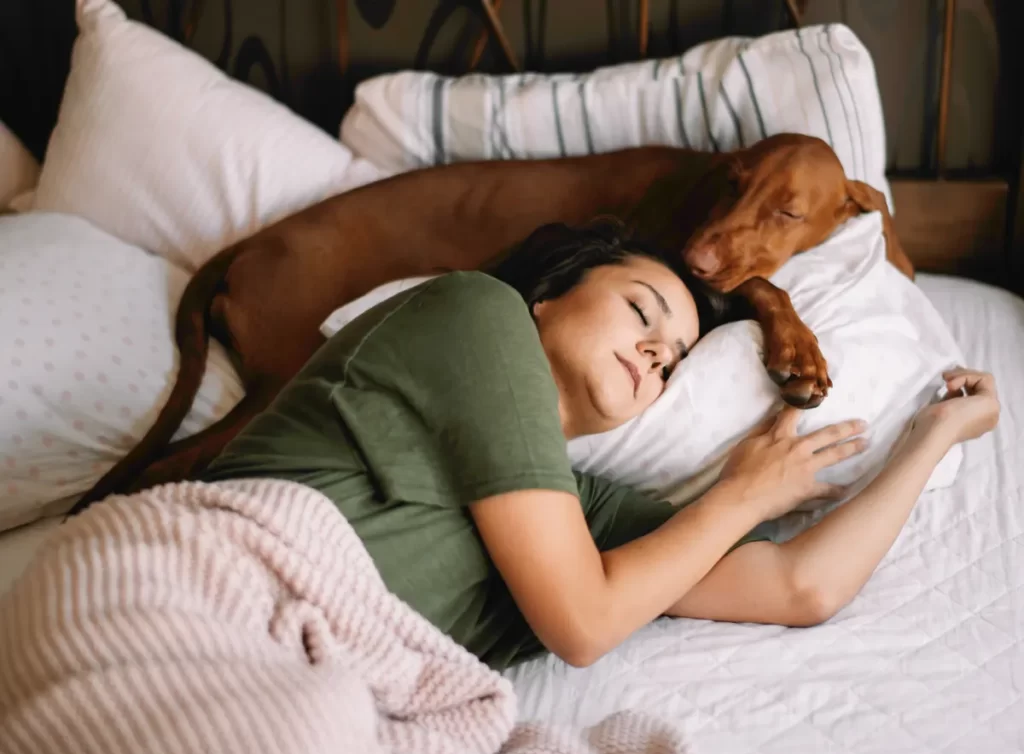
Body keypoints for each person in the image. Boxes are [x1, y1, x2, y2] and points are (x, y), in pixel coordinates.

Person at [200, 217, 1001, 671]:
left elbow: (803, 587)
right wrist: (742, 496)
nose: (658, 352)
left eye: (675, 361)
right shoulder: (475, 314)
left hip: (301, 687)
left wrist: (934, 436)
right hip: (205, 589)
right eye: (642, 310)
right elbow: (582, 624)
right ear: (548, 296)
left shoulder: (581, 523)